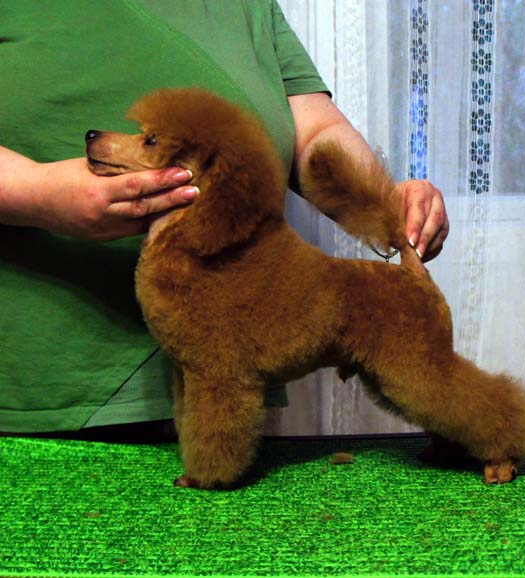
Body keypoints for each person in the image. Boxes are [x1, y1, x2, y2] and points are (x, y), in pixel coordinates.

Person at [0, 1, 448, 441]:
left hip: (226, 382)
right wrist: (39, 192)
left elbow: (315, 134)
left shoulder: (252, 7)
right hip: (36, 383)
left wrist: (386, 200)